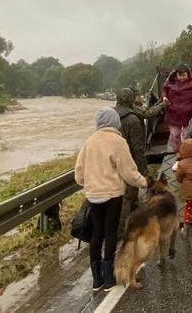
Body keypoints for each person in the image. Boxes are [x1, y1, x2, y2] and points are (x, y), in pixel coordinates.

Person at [75, 108, 148, 292]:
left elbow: (79, 174)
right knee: (110, 234)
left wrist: (89, 184)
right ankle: (109, 280)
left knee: (96, 235)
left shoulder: (89, 142)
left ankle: (96, 280)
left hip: (93, 195)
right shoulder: (118, 141)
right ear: (114, 121)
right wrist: (144, 182)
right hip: (112, 195)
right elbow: (128, 172)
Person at [114, 88, 148, 235]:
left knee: (116, 195)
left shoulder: (110, 116)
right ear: (131, 100)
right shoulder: (132, 119)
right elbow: (138, 147)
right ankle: (121, 231)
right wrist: (142, 168)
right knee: (128, 196)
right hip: (129, 161)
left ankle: (118, 226)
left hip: (111, 161)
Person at [162, 64, 192, 152]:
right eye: (180, 76)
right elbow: (164, 89)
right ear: (176, 74)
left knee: (187, 136)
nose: (182, 78)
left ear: (187, 73)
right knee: (174, 135)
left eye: (184, 75)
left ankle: (188, 154)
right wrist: (164, 97)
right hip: (173, 113)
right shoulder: (170, 80)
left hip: (188, 114)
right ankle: (177, 153)